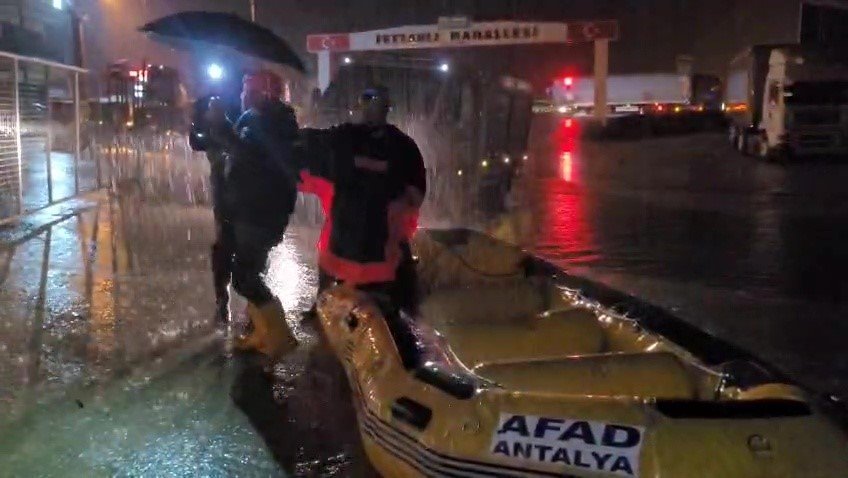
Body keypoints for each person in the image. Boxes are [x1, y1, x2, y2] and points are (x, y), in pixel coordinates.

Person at [298, 86, 426, 317]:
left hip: (379, 234)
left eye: (376, 104)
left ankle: (395, 316)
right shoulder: (346, 136)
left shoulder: (401, 146)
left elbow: (413, 191)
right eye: (366, 103)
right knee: (332, 268)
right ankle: (323, 308)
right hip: (348, 228)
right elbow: (313, 144)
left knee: (388, 289)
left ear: (386, 108)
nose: (370, 110)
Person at [207, 70, 300, 358]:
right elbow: (234, 150)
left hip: (260, 213)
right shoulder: (252, 118)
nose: (242, 95)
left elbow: (251, 156)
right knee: (243, 269)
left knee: (245, 277)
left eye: (249, 89)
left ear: (265, 94)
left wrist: (222, 127)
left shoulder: (275, 123)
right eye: (243, 89)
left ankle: (280, 335)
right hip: (242, 208)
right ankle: (262, 331)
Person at [190, 95, 236, 324]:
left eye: (212, 109)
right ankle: (223, 301)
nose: (209, 113)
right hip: (224, 197)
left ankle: (225, 302)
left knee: (224, 249)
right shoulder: (216, 129)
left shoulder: (226, 131)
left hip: (231, 198)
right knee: (224, 248)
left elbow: (206, 144)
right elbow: (196, 143)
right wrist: (192, 124)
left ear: (219, 111)